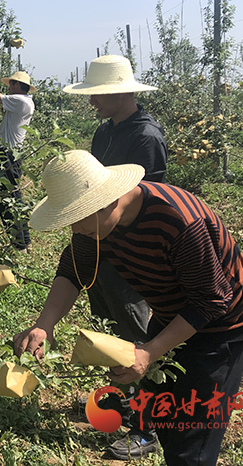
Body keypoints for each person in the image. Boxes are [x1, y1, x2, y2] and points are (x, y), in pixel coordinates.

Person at [14, 150, 243, 466]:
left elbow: (210, 299)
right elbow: (75, 269)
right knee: (165, 419)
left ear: (107, 201)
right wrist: (44, 324)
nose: (76, 231)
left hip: (221, 329)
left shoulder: (178, 221)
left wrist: (149, 352)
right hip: (171, 316)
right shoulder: (95, 225)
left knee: (191, 443)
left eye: (80, 221)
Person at [63, 54, 168, 458]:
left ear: (122, 93)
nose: (92, 102)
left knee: (138, 337)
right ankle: (122, 403)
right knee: (109, 329)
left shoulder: (146, 137)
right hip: (100, 246)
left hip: (129, 254)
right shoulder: (104, 132)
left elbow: (146, 202)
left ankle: (147, 427)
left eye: (98, 95)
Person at [0, 71, 36, 250]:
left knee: (7, 197)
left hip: (9, 155)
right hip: (10, 154)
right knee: (12, 196)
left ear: (18, 85)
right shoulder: (25, 101)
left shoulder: (20, 101)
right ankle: (24, 239)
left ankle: (19, 242)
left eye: (11, 84)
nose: (9, 87)